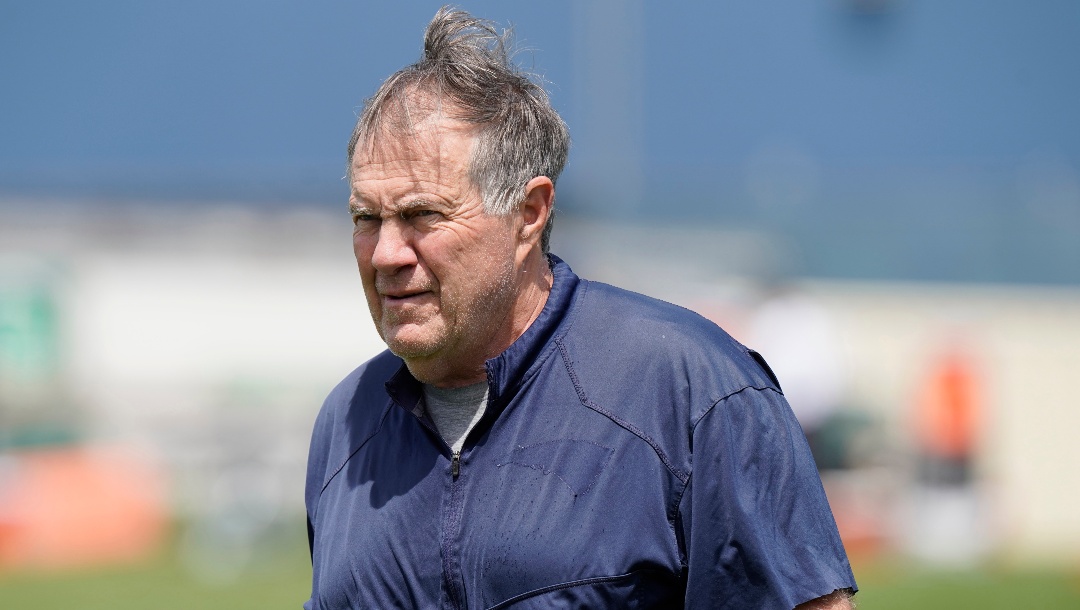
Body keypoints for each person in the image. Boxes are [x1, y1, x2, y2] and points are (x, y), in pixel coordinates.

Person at [304, 8, 856, 609]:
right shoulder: (347, 423)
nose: (385, 253)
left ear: (529, 212)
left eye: (422, 215)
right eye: (366, 218)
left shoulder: (690, 392)